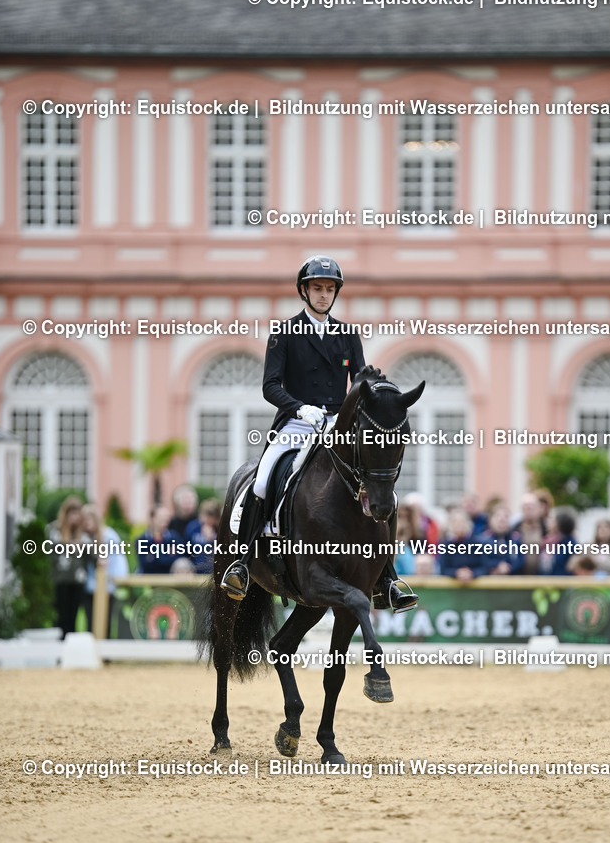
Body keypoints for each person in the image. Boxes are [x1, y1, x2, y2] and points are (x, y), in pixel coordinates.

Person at [220, 254, 418, 614]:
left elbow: (361, 383)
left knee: (380, 486)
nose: (324, 295)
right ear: (304, 291)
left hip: (336, 424)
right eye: (317, 288)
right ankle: (243, 563)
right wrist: (298, 407)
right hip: (296, 422)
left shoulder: (347, 335)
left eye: (329, 289)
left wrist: (376, 390)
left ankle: (386, 578)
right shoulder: (285, 333)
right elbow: (270, 386)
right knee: (263, 480)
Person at [81, 503, 129, 636]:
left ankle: (105, 655)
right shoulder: (85, 538)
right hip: (89, 588)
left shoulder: (109, 536)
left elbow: (117, 563)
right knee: (90, 624)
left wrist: (113, 584)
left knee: (105, 624)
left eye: (88, 519)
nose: (86, 523)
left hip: (106, 587)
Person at [46, 495, 90, 639]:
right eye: (72, 513)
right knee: (60, 616)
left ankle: (71, 648)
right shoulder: (54, 529)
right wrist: (66, 546)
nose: (75, 517)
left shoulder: (83, 532)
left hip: (78, 580)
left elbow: (93, 555)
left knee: (73, 617)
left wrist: (82, 547)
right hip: (60, 579)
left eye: (77, 513)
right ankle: (58, 649)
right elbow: (48, 552)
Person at [136, 505, 183, 574]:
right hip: (148, 577)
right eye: (161, 517)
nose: (165, 520)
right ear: (152, 518)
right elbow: (145, 564)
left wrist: (153, 557)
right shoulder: (142, 540)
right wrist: (167, 556)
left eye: (167, 517)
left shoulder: (175, 537)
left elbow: (178, 560)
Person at [187, 498, 222, 574]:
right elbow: (185, 548)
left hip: (213, 569)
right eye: (207, 515)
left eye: (212, 516)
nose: (209, 519)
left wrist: (211, 540)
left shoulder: (220, 529)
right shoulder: (193, 527)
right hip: (194, 568)